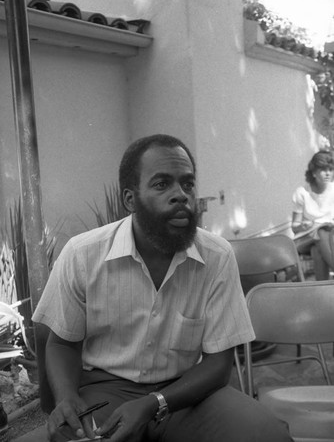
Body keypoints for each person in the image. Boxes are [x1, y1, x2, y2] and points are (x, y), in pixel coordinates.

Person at [33, 134, 293, 442]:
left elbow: (219, 364)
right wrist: (65, 398)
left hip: (188, 393)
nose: (180, 195)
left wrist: (155, 403)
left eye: (187, 183)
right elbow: (62, 343)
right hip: (104, 392)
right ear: (130, 199)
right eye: (161, 184)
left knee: (266, 434)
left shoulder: (216, 256)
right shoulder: (83, 254)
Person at [292, 149, 334, 280]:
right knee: (321, 231)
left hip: (329, 238)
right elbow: (294, 226)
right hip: (307, 238)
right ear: (314, 173)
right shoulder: (302, 193)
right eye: (323, 170)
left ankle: (323, 292)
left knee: (317, 252)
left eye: (330, 169)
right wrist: (303, 226)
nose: (328, 173)